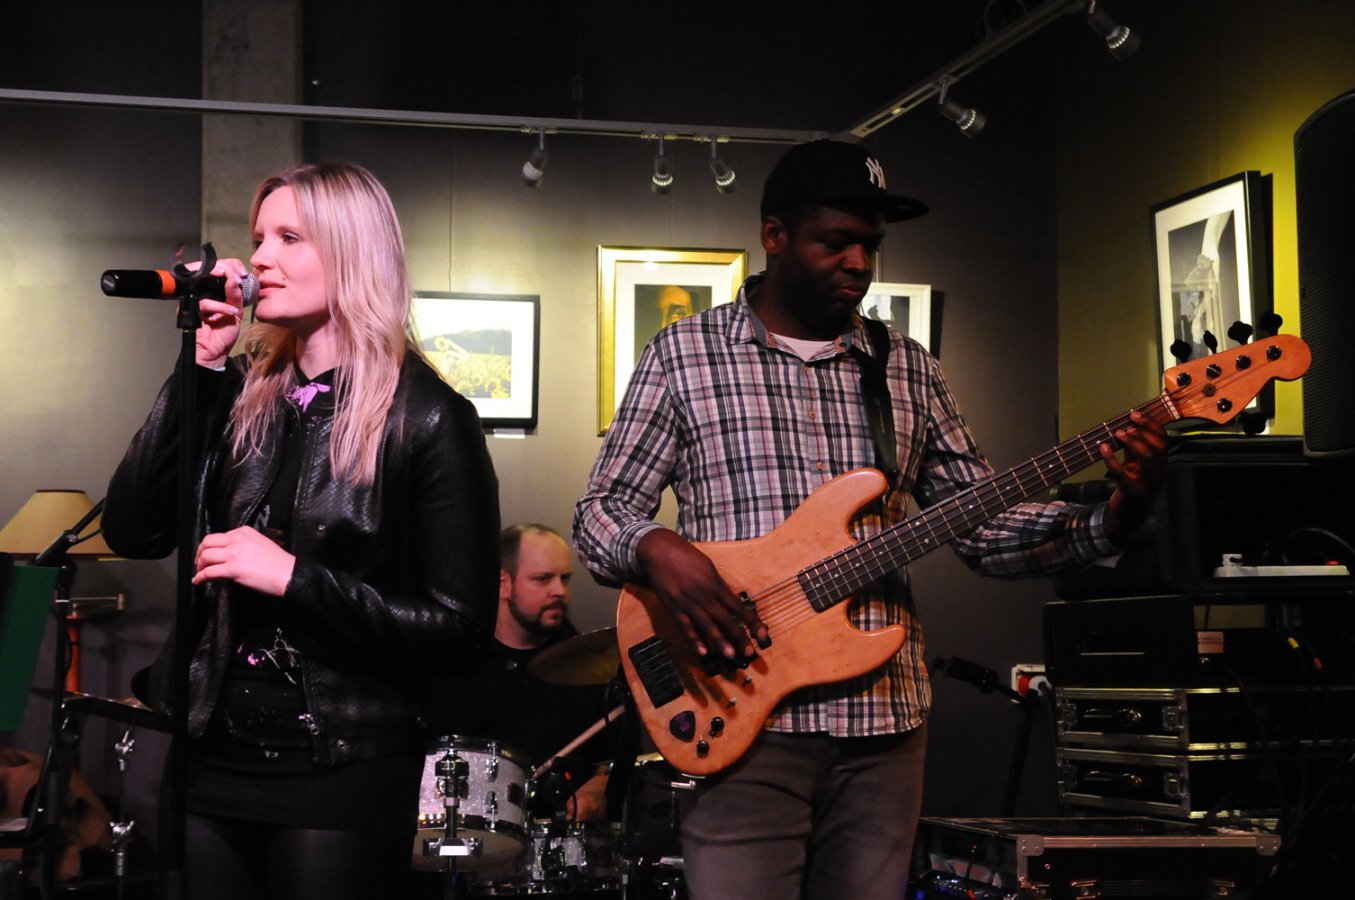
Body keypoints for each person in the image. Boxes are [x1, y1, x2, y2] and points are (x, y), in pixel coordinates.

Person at [572, 139, 1168, 900]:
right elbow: (599, 513)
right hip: (742, 713)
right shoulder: (684, 354)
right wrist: (656, 546)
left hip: (884, 721)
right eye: (836, 241)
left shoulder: (907, 366)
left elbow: (980, 527)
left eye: (870, 245)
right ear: (775, 235)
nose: (857, 262)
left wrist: (1117, 513)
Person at [101, 161, 500, 900]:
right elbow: (132, 529)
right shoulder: (240, 394)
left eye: (289, 237)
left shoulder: (428, 418)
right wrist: (200, 370)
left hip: (342, 765)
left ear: (352, 252)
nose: (259, 259)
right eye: (259, 238)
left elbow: (460, 630)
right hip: (213, 752)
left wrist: (294, 579)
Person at [436, 524, 617, 824]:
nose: (559, 591)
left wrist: (600, 790)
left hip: (560, 839)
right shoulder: (456, 663)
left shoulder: (591, 665)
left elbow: (613, 765)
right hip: (469, 834)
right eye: (543, 579)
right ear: (503, 584)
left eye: (565, 578)